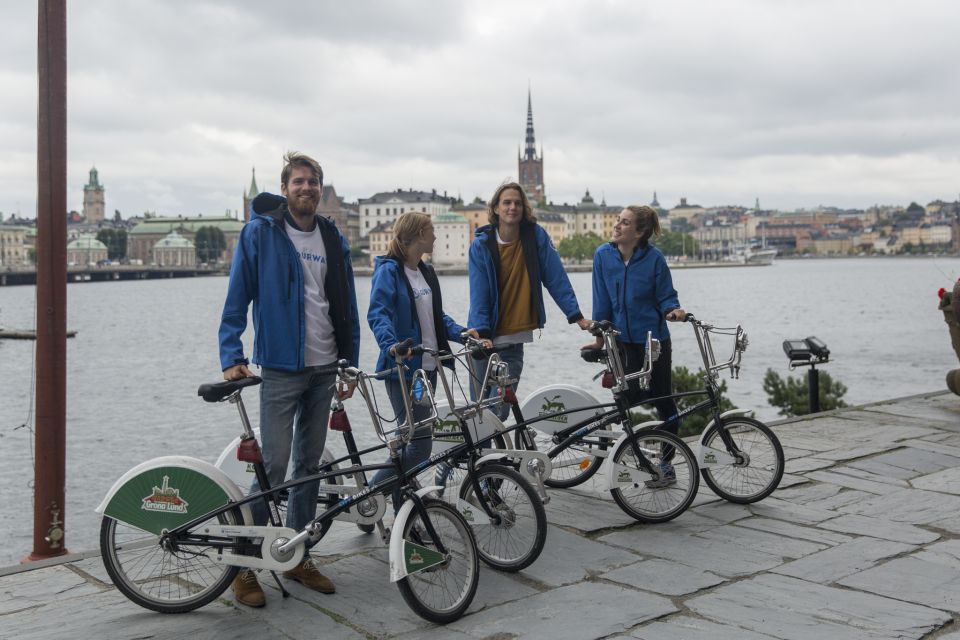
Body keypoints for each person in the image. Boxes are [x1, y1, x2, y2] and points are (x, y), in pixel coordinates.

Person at [218, 151, 360, 607]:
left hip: (325, 367)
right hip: (280, 367)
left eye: (313, 182)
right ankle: (243, 564)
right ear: (285, 189)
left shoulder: (332, 236)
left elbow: (346, 304)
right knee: (273, 467)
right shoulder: (261, 233)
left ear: (320, 188)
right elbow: (238, 294)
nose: (306, 188)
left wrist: (350, 362)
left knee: (309, 467)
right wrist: (231, 354)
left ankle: (294, 555)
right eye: (298, 181)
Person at [367, 212, 488, 513]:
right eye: (432, 230)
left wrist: (461, 333)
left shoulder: (425, 271)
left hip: (428, 369)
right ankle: (371, 498)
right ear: (420, 234)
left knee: (410, 441)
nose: (436, 235)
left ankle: (395, 505)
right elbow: (378, 314)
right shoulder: (389, 271)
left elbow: (436, 317)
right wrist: (391, 346)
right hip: (404, 369)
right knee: (419, 445)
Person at [467, 181, 592, 418]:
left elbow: (556, 278)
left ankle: (494, 453)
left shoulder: (535, 237)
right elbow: (479, 292)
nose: (512, 207)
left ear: (524, 208)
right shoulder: (481, 245)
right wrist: (482, 335)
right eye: (507, 202)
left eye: (517, 203)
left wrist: (576, 315)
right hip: (483, 340)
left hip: (514, 341)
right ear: (495, 208)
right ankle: (481, 456)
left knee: (499, 410)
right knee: (478, 412)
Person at [585, 204, 686, 485]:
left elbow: (666, 295)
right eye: (618, 220)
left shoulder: (654, 260)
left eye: (625, 223)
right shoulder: (603, 256)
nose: (617, 226)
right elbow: (601, 298)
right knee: (627, 397)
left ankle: (665, 464)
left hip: (653, 341)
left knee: (664, 402)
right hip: (621, 341)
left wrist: (674, 310)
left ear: (640, 232)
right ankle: (612, 437)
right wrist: (598, 337)